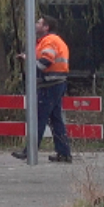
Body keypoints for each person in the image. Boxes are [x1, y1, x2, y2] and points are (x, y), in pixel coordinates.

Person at [33, 16, 74, 164]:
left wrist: (30, 66)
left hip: (49, 84)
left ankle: (30, 150)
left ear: (46, 27)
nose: (36, 24)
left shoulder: (48, 41)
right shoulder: (55, 40)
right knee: (56, 120)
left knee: (39, 118)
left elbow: (46, 61)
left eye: (39, 22)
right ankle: (64, 153)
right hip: (57, 83)